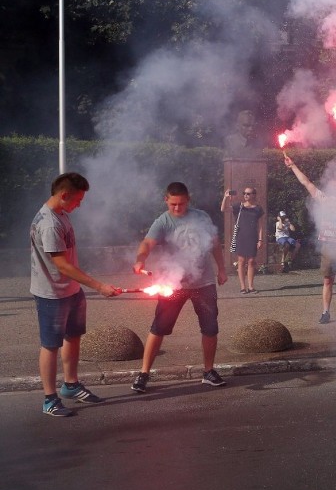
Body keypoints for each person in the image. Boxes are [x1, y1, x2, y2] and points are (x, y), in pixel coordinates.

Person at [31, 173, 121, 416]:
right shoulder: (49, 223)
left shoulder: (62, 215)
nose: (80, 204)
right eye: (78, 199)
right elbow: (63, 266)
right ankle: (50, 399)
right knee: (50, 345)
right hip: (52, 294)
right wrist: (99, 286)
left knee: (73, 336)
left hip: (71, 290)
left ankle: (70, 385)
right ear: (64, 195)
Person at [131, 182, 229, 393]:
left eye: (181, 204)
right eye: (173, 204)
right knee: (159, 328)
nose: (177, 208)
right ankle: (144, 373)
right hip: (173, 283)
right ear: (166, 200)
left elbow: (214, 243)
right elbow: (147, 243)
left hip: (204, 282)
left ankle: (209, 372)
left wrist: (221, 269)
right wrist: (140, 260)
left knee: (210, 328)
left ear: (188, 200)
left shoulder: (202, 217)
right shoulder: (163, 222)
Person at [284, 154, 336, 324]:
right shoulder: (324, 199)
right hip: (329, 245)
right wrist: (293, 166)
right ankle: (325, 312)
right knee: (328, 280)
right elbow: (306, 183)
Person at [221, 186, 264, 293]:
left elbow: (261, 225)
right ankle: (242, 287)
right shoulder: (239, 206)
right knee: (241, 261)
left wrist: (260, 239)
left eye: (248, 193)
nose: (245, 195)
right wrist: (225, 197)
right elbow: (223, 209)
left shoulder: (258, 208)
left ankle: (251, 286)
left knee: (251, 261)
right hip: (241, 236)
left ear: (254, 195)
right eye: (244, 193)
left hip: (252, 237)